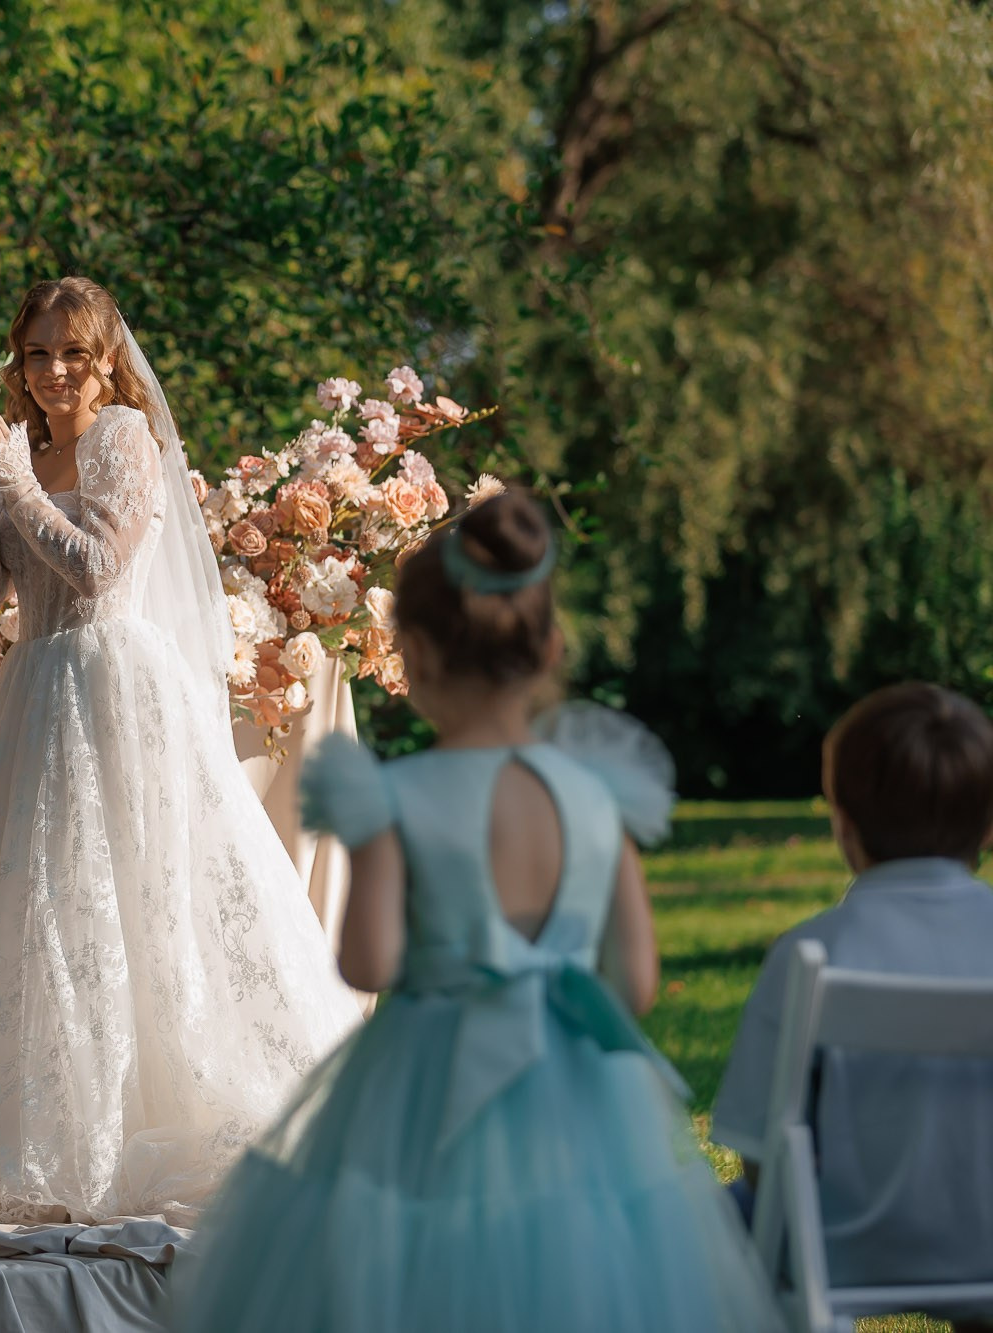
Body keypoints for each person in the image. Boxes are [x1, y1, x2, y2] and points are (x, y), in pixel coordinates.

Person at [170, 491, 779, 1330]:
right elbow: (635, 982)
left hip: (427, 1079)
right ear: (550, 648)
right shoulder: (597, 798)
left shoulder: (394, 797)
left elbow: (368, 961)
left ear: (414, 652)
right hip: (572, 1089)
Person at [0, 277, 365, 1223]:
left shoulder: (122, 437)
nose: (54, 371)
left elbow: (99, 566)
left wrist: (16, 486)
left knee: (128, 896)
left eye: (73, 352)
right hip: (35, 689)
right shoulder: (26, 448)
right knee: (43, 904)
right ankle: (51, 1145)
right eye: (38, 353)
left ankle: (168, 1123)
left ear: (107, 358)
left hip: (107, 681)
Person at [711, 682, 993, 1326]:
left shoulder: (810, 950)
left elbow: (758, 1155)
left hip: (839, 1256)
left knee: (707, 1217)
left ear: (843, 823)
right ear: (989, 824)